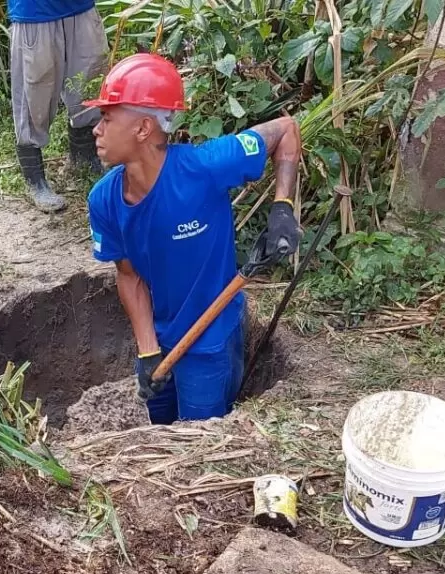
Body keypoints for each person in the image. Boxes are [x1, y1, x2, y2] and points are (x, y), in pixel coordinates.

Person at [83, 53, 302, 424]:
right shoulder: (104, 200)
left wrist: (283, 208)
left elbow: (286, 129)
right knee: (159, 428)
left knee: (197, 437)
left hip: (211, 342)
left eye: (106, 118)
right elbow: (129, 276)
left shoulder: (204, 168)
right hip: (162, 336)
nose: (96, 130)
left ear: (143, 128)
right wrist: (147, 351)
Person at [8, 0, 109, 213]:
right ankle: (35, 180)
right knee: (34, 96)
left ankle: (84, 158)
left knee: (89, 83)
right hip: (35, 13)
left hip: (81, 9)